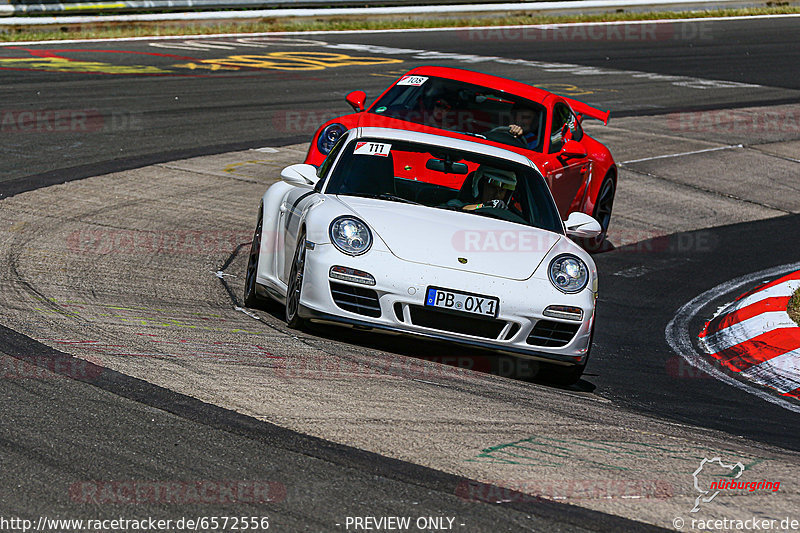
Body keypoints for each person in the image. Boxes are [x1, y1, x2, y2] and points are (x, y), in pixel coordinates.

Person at [447, 166, 517, 211]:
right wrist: (483, 206)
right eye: (493, 187)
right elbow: (459, 208)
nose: (497, 194)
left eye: (502, 190)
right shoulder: (456, 203)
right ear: (480, 186)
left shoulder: (509, 215)